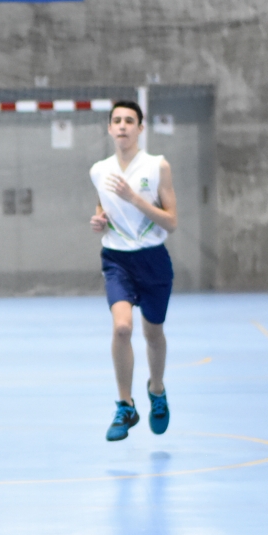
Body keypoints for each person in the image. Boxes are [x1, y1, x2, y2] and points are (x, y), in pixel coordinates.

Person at [89, 99, 177, 442]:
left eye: (129, 120)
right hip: (117, 260)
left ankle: (157, 390)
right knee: (122, 327)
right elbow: (103, 206)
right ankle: (125, 405)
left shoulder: (157, 166)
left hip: (153, 259)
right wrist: (100, 219)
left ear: (140, 128)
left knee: (153, 334)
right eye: (117, 121)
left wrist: (135, 198)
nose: (123, 126)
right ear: (109, 128)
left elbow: (171, 221)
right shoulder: (99, 170)